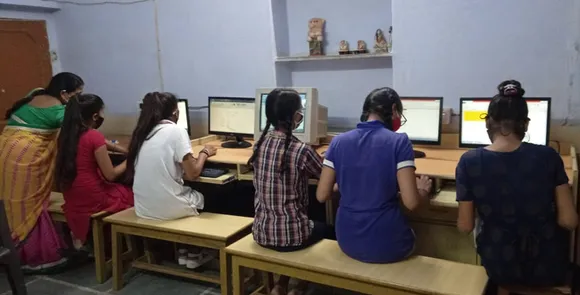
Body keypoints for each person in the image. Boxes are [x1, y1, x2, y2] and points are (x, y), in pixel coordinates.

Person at [455, 80, 578, 289]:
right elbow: (569, 221)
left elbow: (465, 226)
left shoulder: (469, 162)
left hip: (500, 265)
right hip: (546, 266)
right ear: (526, 124)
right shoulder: (549, 157)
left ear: (488, 122)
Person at [316, 87, 432, 264]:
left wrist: (349, 182)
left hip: (347, 240)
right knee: (419, 235)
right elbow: (412, 203)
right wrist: (422, 191)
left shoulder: (338, 142)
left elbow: (322, 195)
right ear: (393, 110)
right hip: (386, 243)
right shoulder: (399, 142)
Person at [0, 72, 84, 272]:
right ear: (64, 93)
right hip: (27, 158)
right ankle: (32, 255)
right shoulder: (60, 113)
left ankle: (9, 246)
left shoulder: (35, 93)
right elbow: (84, 134)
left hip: (6, 150)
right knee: (30, 203)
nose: (78, 100)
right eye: (77, 95)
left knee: (12, 200)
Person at [126, 92, 217, 269]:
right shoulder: (176, 131)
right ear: (175, 112)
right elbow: (193, 174)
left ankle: (184, 250)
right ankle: (197, 251)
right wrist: (205, 153)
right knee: (217, 194)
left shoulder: (141, 133)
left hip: (144, 208)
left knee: (189, 191)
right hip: (167, 209)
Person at [249, 88, 325, 295]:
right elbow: (326, 177)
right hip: (294, 236)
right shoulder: (301, 150)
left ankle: (281, 284)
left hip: (261, 233)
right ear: (296, 116)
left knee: (300, 220)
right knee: (326, 227)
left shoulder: (258, 145)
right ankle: (299, 286)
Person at [55, 94, 134, 249]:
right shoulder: (93, 136)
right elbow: (110, 175)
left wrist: (120, 149)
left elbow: (99, 141)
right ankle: (126, 248)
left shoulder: (65, 135)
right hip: (93, 196)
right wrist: (130, 160)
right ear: (95, 115)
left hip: (72, 195)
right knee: (130, 193)